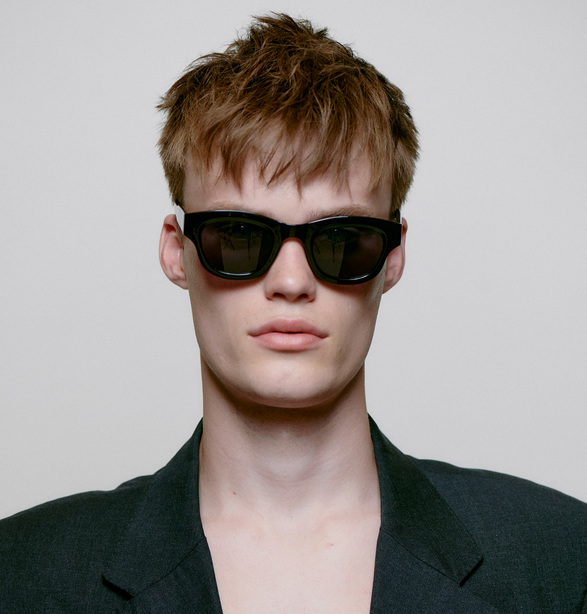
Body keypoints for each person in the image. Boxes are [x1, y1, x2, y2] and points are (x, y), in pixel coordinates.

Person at [0, 12, 585, 614]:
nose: (291, 282)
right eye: (238, 236)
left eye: (343, 241)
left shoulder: (564, 561)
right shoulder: (21, 575)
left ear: (392, 257)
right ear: (177, 252)